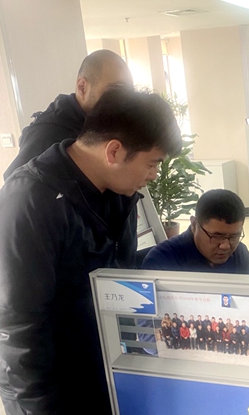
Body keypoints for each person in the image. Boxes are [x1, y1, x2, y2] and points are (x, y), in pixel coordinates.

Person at [0, 86, 183, 415]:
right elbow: (18, 326)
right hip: (53, 389)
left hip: (101, 369)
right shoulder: (30, 202)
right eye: (152, 164)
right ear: (114, 151)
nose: (154, 176)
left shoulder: (117, 192)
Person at [3, 49, 133, 180]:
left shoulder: (100, 123)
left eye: (127, 93)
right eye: (113, 92)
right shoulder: (49, 133)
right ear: (82, 87)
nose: (121, 101)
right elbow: (15, 183)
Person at [142, 189, 249, 274]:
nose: (225, 246)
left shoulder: (240, 254)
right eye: (217, 236)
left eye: (234, 236)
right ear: (194, 224)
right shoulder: (162, 261)